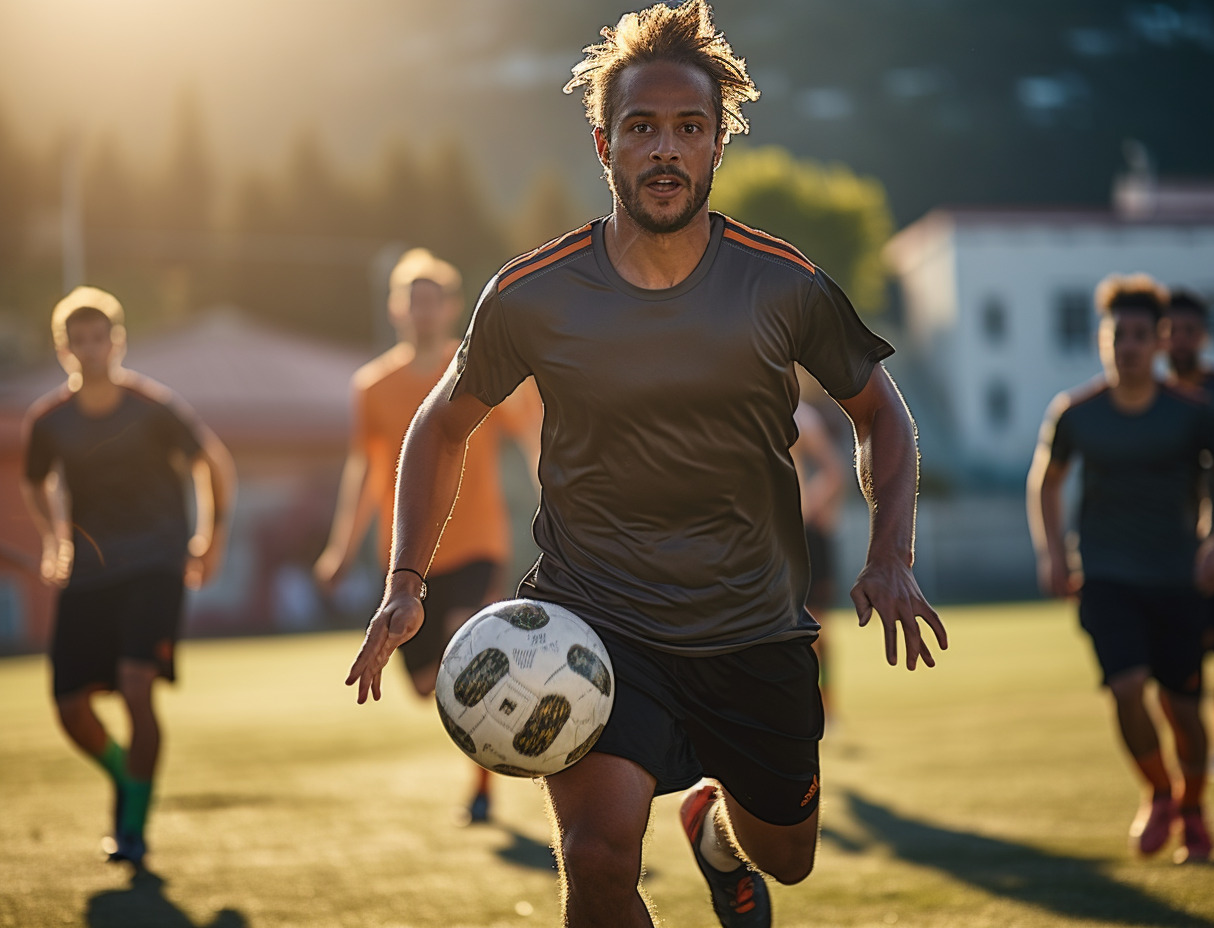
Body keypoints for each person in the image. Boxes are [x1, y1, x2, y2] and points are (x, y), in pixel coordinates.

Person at [346, 4, 945, 926]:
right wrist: (403, 579)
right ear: (604, 145)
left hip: (753, 625)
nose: (665, 149)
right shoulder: (532, 295)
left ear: (717, 146)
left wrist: (891, 553)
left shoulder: (781, 283)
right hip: (597, 622)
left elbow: (881, 413)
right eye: (641, 128)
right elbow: (439, 426)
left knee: (785, 858)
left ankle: (715, 834)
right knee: (594, 859)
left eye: (689, 128)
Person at [315, 248, 540, 824]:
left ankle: (483, 788)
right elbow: (363, 470)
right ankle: (490, 728)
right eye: (412, 300)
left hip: (478, 540)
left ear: (451, 307)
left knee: (471, 652)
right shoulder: (373, 386)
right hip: (410, 552)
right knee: (424, 683)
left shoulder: (479, 369)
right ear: (397, 309)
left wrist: (560, 491)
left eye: (432, 299)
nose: (423, 310)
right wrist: (342, 547)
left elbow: (533, 432)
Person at [20, 286, 234, 869]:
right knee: (69, 708)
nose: (90, 350)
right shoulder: (49, 422)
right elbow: (33, 483)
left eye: (100, 337)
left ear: (117, 340)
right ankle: (130, 777)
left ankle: (132, 828)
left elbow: (213, 464)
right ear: (64, 348)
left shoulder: (152, 408)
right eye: (77, 340)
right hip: (89, 573)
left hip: (155, 565)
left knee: (137, 688)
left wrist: (210, 539)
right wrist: (52, 538)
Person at [1027, 273, 1214, 865]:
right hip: (1106, 576)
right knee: (1125, 689)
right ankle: (1159, 793)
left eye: (1142, 335)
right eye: (1119, 335)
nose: (1129, 345)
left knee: (1186, 711)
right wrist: (1049, 551)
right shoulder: (1076, 413)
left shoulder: (1191, 414)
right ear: (1103, 340)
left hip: (1178, 579)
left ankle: (1193, 809)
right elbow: (1047, 478)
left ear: (1161, 342)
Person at [1163, 287, 1214, 777]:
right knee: (1182, 666)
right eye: (1172, 331)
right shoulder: (1152, 399)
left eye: (1189, 330)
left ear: (1203, 335)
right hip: (1174, 551)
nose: (1179, 339)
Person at [790, 398, 846, 711]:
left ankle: (827, 704)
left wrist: (811, 506)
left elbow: (833, 470)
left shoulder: (799, 414)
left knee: (816, 629)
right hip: (768, 537)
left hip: (803, 536)